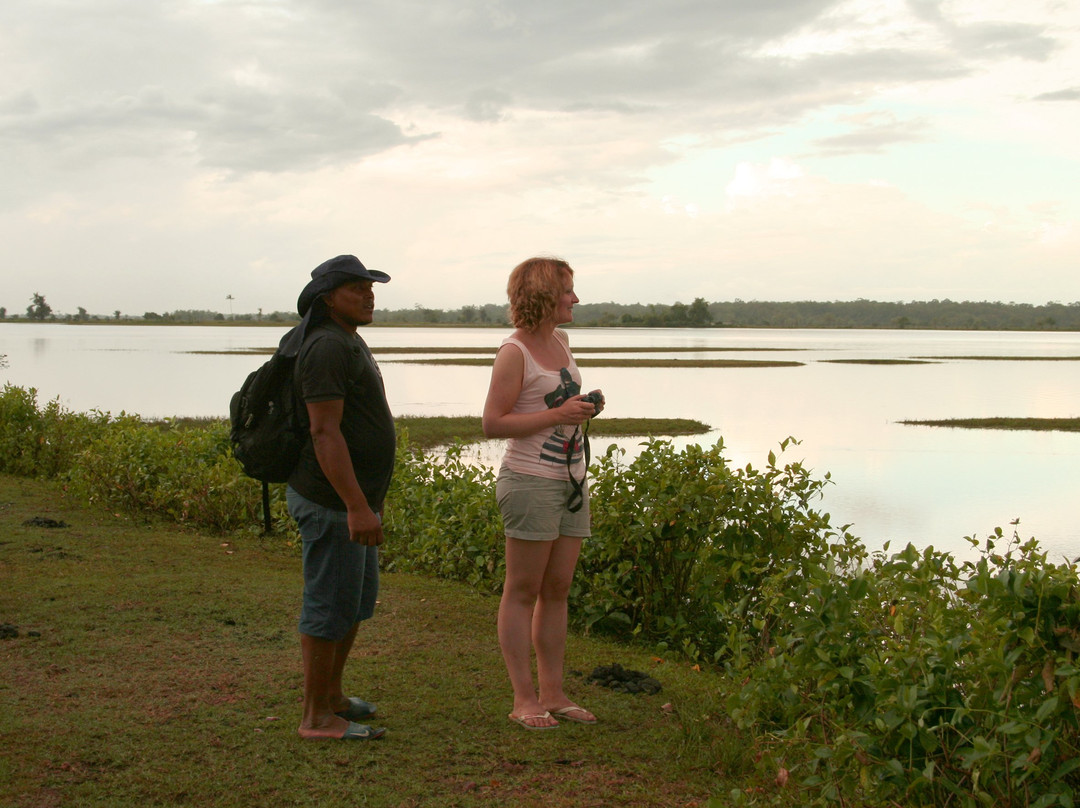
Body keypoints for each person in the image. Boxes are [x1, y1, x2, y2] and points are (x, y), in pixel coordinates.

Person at [482, 256, 605, 730]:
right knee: (522, 591)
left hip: (570, 482)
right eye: (568, 290)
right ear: (543, 295)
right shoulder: (514, 353)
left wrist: (583, 409)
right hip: (529, 481)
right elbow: (494, 423)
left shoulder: (561, 341)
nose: (575, 298)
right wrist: (557, 415)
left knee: (557, 590)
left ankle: (553, 694)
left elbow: (554, 406)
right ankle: (523, 698)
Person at [284, 254, 396, 741]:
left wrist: (367, 502)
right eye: (356, 288)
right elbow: (325, 432)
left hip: (354, 502)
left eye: (370, 287)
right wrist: (354, 504)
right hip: (332, 502)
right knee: (329, 604)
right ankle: (316, 719)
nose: (369, 295)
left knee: (353, 602)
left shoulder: (348, 339)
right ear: (328, 298)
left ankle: (332, 696)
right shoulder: (327, 346)